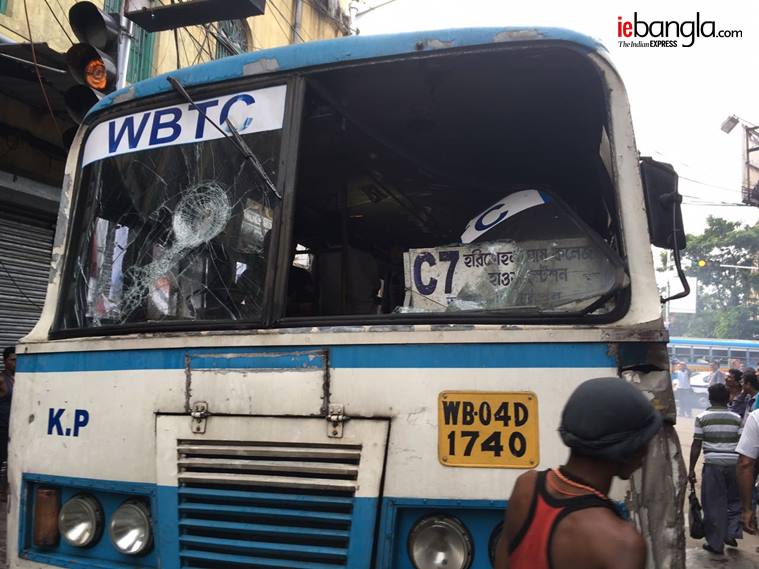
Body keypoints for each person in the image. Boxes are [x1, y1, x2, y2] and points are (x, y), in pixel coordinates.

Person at [493, 378, 662, 569]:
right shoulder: (622, 544)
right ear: (625, 449)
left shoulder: (525, 488)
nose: (645, 451)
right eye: (643, 441)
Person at [688, 384, 743, 554]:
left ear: (710, 398)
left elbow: (697, 444)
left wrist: (691, 469)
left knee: (713, 504)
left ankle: (715, 544)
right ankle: (731, 533)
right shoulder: (737, 418)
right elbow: (742, 444)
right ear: (728, 399)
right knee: (734, 500)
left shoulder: (702, 417)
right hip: (735, 465)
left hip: (713, 465)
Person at [0, 347, 15, 494]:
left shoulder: (20, 378)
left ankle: (4, 490)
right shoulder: (2, 380)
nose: (16, 363)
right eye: (12, 360)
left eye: (18, 360)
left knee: (12, 459)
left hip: (15, 427)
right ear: (5, 362)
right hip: (2, 427)